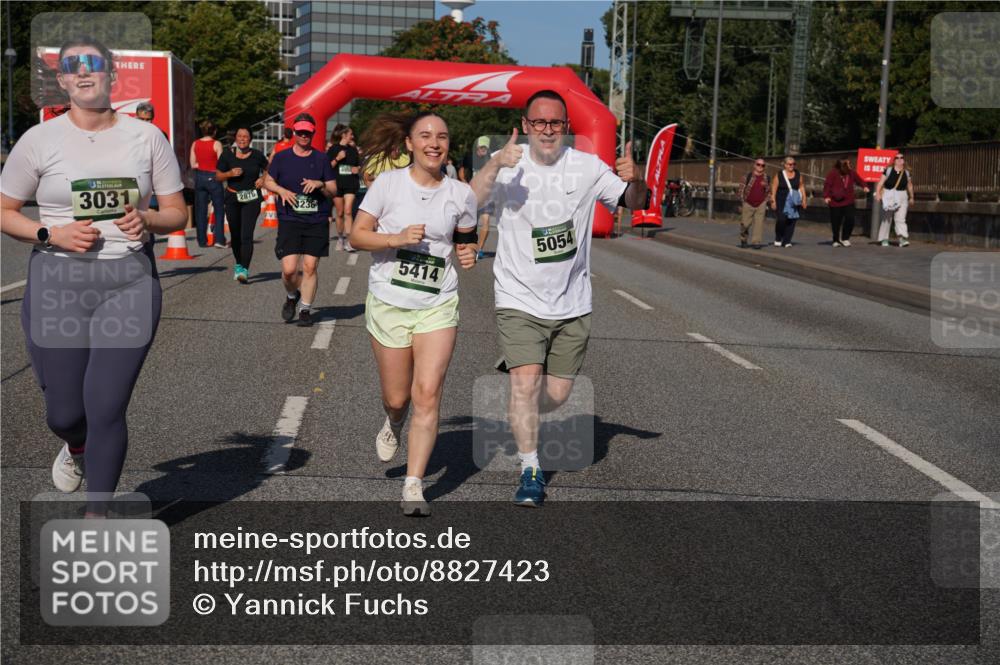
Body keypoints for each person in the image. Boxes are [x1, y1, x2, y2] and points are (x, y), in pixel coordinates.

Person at [0, 37, 187, 513]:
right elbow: (5, 210)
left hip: (128, 282)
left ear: (111, 76)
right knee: (65, 412)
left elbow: (176, 214)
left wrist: (147, 220)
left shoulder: (147, 137)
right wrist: (50, 234)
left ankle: (96, 513)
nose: (83, 72)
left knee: (106, 405)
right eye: (72, 66)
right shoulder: (39, 140)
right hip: (56, 283)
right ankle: (75, 446)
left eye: (94, 64)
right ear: (61, 80)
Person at [470, 90, 648, 507]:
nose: (547, 130)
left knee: (560, 395)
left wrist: (636, 177)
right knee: (526, 384)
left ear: (565, 128)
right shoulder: (507, 162)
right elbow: (469, 203)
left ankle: (522, 399)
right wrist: (494, 164)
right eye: (539, 123)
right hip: (518, 297)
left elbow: (634, 202)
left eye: (555, 123)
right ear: (526, 125)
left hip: (571, 301)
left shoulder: (586, 167)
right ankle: (530, 469)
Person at [350, 111, 478, 516]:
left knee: (428, 393)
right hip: (389, 302)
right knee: (398, 396)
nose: (434, 142)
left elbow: (468, 235)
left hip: (438, 304)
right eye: (425, 135)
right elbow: (357, 235)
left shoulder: (461, 194)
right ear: (409, 143)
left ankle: (413, 484)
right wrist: (395, 238)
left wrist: (469, 251)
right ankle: (393, 421)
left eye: (441, 136)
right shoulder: (388, 184)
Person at [264, 113, 337, 327]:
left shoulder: (321, 158)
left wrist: (320, 184)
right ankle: (292, 295)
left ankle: (305, 309)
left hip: (316, 218)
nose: (304, 136)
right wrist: (281, 191)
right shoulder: (282, 157)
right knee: (288, 270)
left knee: (310, 266)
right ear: (294, 133)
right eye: (300, 132)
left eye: (308, 132)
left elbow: (333, 189)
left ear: (313, 133)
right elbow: (267, 180)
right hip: (290, 218)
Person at [216, 127, 268, 282]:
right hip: (232, 198)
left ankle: (244, 269)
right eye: (239, 136)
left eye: (245, 136)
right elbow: (218, 176)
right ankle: (239, 263)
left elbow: (269, 168)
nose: (242, 139)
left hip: (251, 199)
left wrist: (263, 178)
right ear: (235, 138)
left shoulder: (257, 155)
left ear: (250, 139)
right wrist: (229, 174)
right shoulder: (227, 154)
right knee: (235, 235)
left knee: (246, 235)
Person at [191, 120, 226, 248]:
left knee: (200, 210)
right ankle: (219, 239)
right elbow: (221, 164)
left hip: (200, 177)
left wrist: (202, 165)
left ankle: (202, 240)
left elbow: (192, 164)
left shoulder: (195, 143)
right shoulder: (217, 144)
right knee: (218, 209)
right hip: (214, 176)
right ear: (214, 131)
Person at [327, 124, 361, 252]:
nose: (352, 136)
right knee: (340, 213)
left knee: (348, 211)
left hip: (350, 183)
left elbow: (359, 166)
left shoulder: (353, 150)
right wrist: (337, 158)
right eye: (350, 134)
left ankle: (349, 241)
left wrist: (357, 169)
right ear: (344, 135)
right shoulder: (333, 149)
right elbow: (328, 167)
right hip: (337, 184)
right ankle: (340, 238)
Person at [823, 159, 869, 247]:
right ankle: (836, 240)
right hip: (835, 201)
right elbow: (827, 185)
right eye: (848, 164)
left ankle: (845, 238)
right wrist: (826, 196)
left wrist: (864, 186)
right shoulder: (833, 173)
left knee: (850, 219)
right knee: (836, 221)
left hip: (848, 200)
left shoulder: (851, 173)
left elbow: (859, 180)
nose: (850, 165)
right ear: (842, 166)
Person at [462, 136, 494, 260]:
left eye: (486, 148)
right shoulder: (469, 158)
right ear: (477, 147)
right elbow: (462, 171)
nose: (483, 150)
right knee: (471, 223)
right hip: (472, 196)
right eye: (481, 147)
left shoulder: (490, 160)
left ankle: (480, 249)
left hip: (487, 196)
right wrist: (464, 182)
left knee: (486, 221)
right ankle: (470, 245)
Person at [875, 153, 914, 247]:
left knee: (900, 218)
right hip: (889, 195)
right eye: (897, 158)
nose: (899, 159)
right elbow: (880, 183)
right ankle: (884, 239)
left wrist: (912, 197)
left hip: (902, 195)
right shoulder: (888, 170)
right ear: (894, 160)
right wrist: (878, 193)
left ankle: (902, 239)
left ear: (904, 160)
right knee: (887, 218)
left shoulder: (907, 172)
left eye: (902, 157)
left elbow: (910, 185)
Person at [769, 155, 807, 248]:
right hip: (781, 200)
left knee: (792, 221)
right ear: (785, 165)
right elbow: (774, 187)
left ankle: (787, 241)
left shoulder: (798, 174)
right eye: (789, 164)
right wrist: (773, 200)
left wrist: (804, 200)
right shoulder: (779, 174)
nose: (792, 166)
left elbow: (801, 187)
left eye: (793, 164)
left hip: (793, 201)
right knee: (781, 219)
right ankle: (778, 237)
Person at [738, 157, 769, 249]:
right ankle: (743, 239)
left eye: (762, 165)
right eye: (758, 164)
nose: (760, 167)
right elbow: (741, 190)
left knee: (758, 224)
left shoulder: (766, 177)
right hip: (748, 203)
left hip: (761, 203)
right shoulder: (747, 176)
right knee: (745, 224)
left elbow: (768, 191)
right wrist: (742, 201)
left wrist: (766, 200)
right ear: (754, 165)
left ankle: (756, 242)